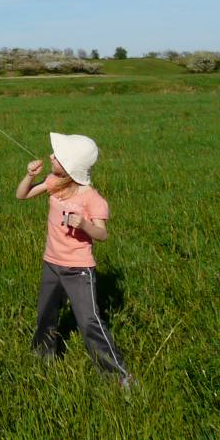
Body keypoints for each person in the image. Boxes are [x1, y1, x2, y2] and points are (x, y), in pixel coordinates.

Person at [16, 132, 132, 386]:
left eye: (56, 156)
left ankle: (118, 377)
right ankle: (41, 359)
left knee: (89, 321)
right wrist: (30, 176)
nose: (50, 156)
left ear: (69, 167)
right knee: (46, 314)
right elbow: (21, 195)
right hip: (51, 264)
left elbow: (102, 234)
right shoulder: (54, 182)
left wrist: (85, 226)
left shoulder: (92, 198)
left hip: (78, 270)